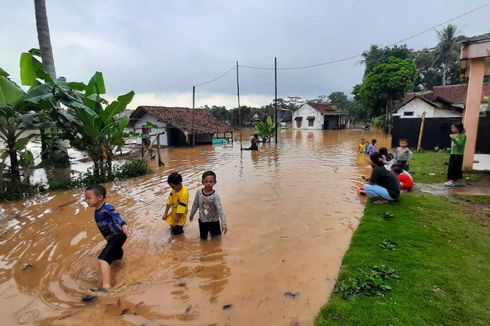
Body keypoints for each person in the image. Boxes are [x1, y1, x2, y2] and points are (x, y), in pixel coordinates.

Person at [85, 185, 128, 294]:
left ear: (100, 197)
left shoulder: (107, 207)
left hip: (118, 235)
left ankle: (106, 287)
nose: (86, 200)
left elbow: (117, 215)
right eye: (86, 198)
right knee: (115, 260)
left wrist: (123, 224)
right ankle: (125, 274)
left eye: (89, 198)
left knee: (102, 260)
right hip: (113, 238)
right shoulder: (97, 210)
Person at [189, 171, 228, 240]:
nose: (208, 184)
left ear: (215, 182)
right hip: (202, 221)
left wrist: (223, 224)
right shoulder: (199, 192)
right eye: (206, 181)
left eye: (211, 181)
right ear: (202, 182)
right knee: (203, 239)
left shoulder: (215, 196)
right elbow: (195, 204)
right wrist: (192, 214)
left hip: (214, 222)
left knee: (216, 240)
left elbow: (220, 210)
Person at [445, 122, 466, 187]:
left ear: (458, 128)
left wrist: (453, 139)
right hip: (453, 153)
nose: (452, 129)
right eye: (452, 127)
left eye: (453, 128)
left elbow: (460, 144)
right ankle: (456, 181)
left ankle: (452, 181)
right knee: (451, 167)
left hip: (459, 154)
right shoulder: (454, 135)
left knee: (455, 167)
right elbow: (453, 146)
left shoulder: (463, 136)